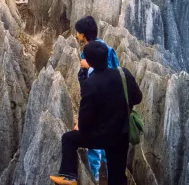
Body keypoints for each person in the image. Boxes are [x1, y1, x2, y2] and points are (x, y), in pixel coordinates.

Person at [50, 41, 143, 185]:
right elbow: (138, 98)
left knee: (68, 139)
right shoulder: (123, 74)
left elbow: (85, 119)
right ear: (106, 56)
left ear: (89, 62)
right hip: (122, 134)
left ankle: (69, 176)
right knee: (117, 176)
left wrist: (80, 127)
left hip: (100, 136)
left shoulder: (90, 84)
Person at [75, 16, 120, 182]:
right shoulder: (107, 48)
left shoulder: (88, 54)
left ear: (83, 35)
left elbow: (95, 81)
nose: (76, 35)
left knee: (94, 147)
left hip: (98, 106)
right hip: (113, 107)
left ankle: (93, 179)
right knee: (109, 147)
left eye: (78, 32)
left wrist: (88, 67)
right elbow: (117, 71)